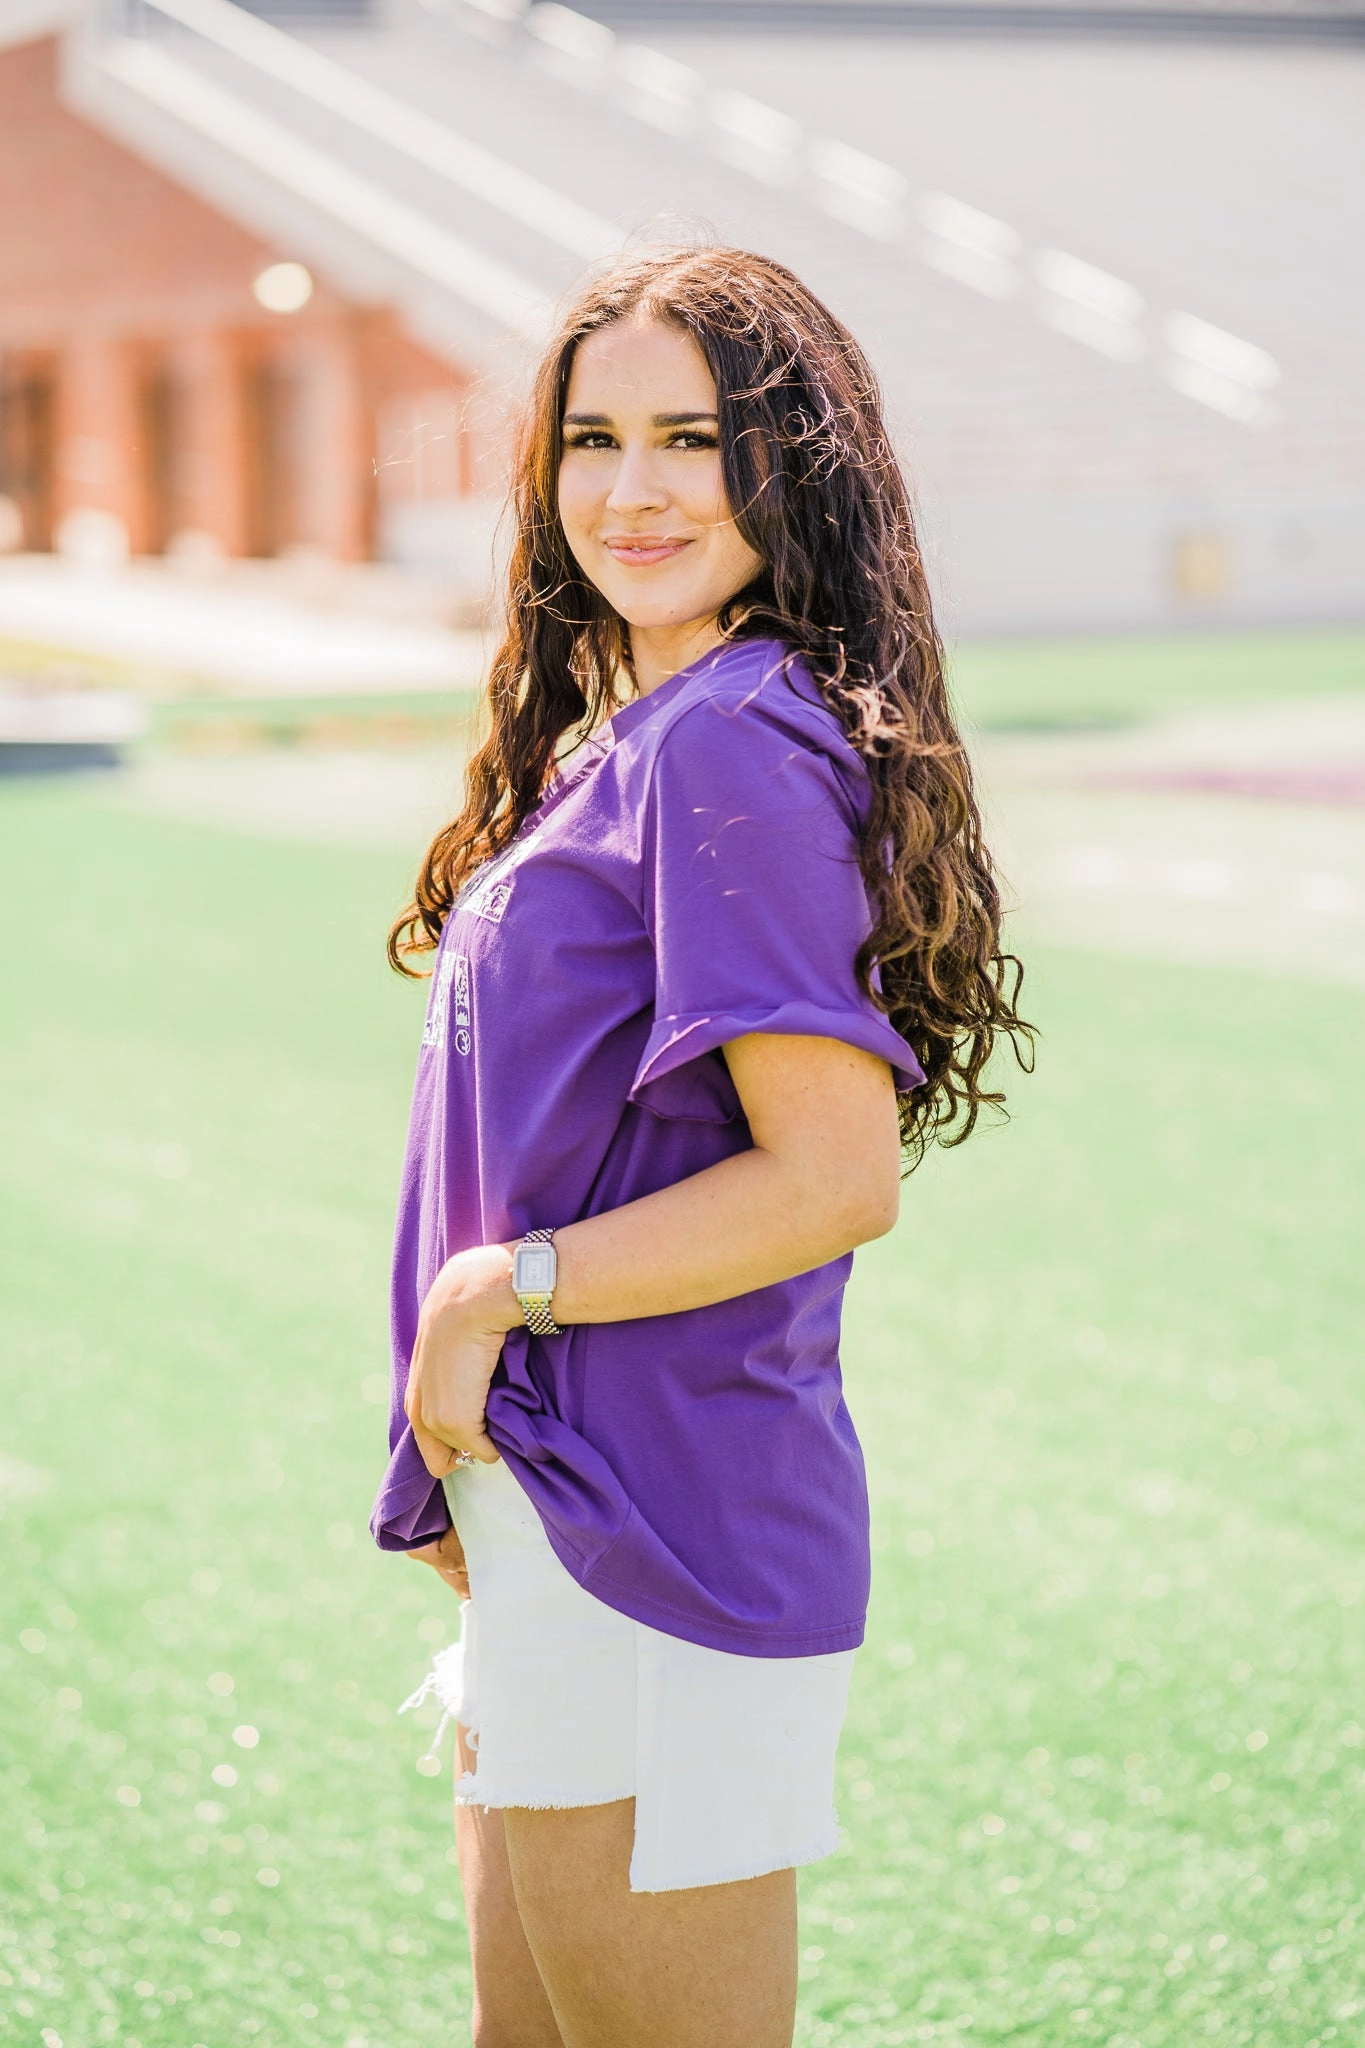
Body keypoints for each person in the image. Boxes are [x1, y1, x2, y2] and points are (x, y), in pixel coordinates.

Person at [371, 245, 1032, 2048]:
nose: (634, 489)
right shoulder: (628, 737)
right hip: (562, 1505)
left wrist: (499, 1295)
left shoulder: (727, 743)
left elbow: (834, 1178)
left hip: (657, 1527)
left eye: (695, 437)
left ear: (791, 465)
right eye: (595, 438)